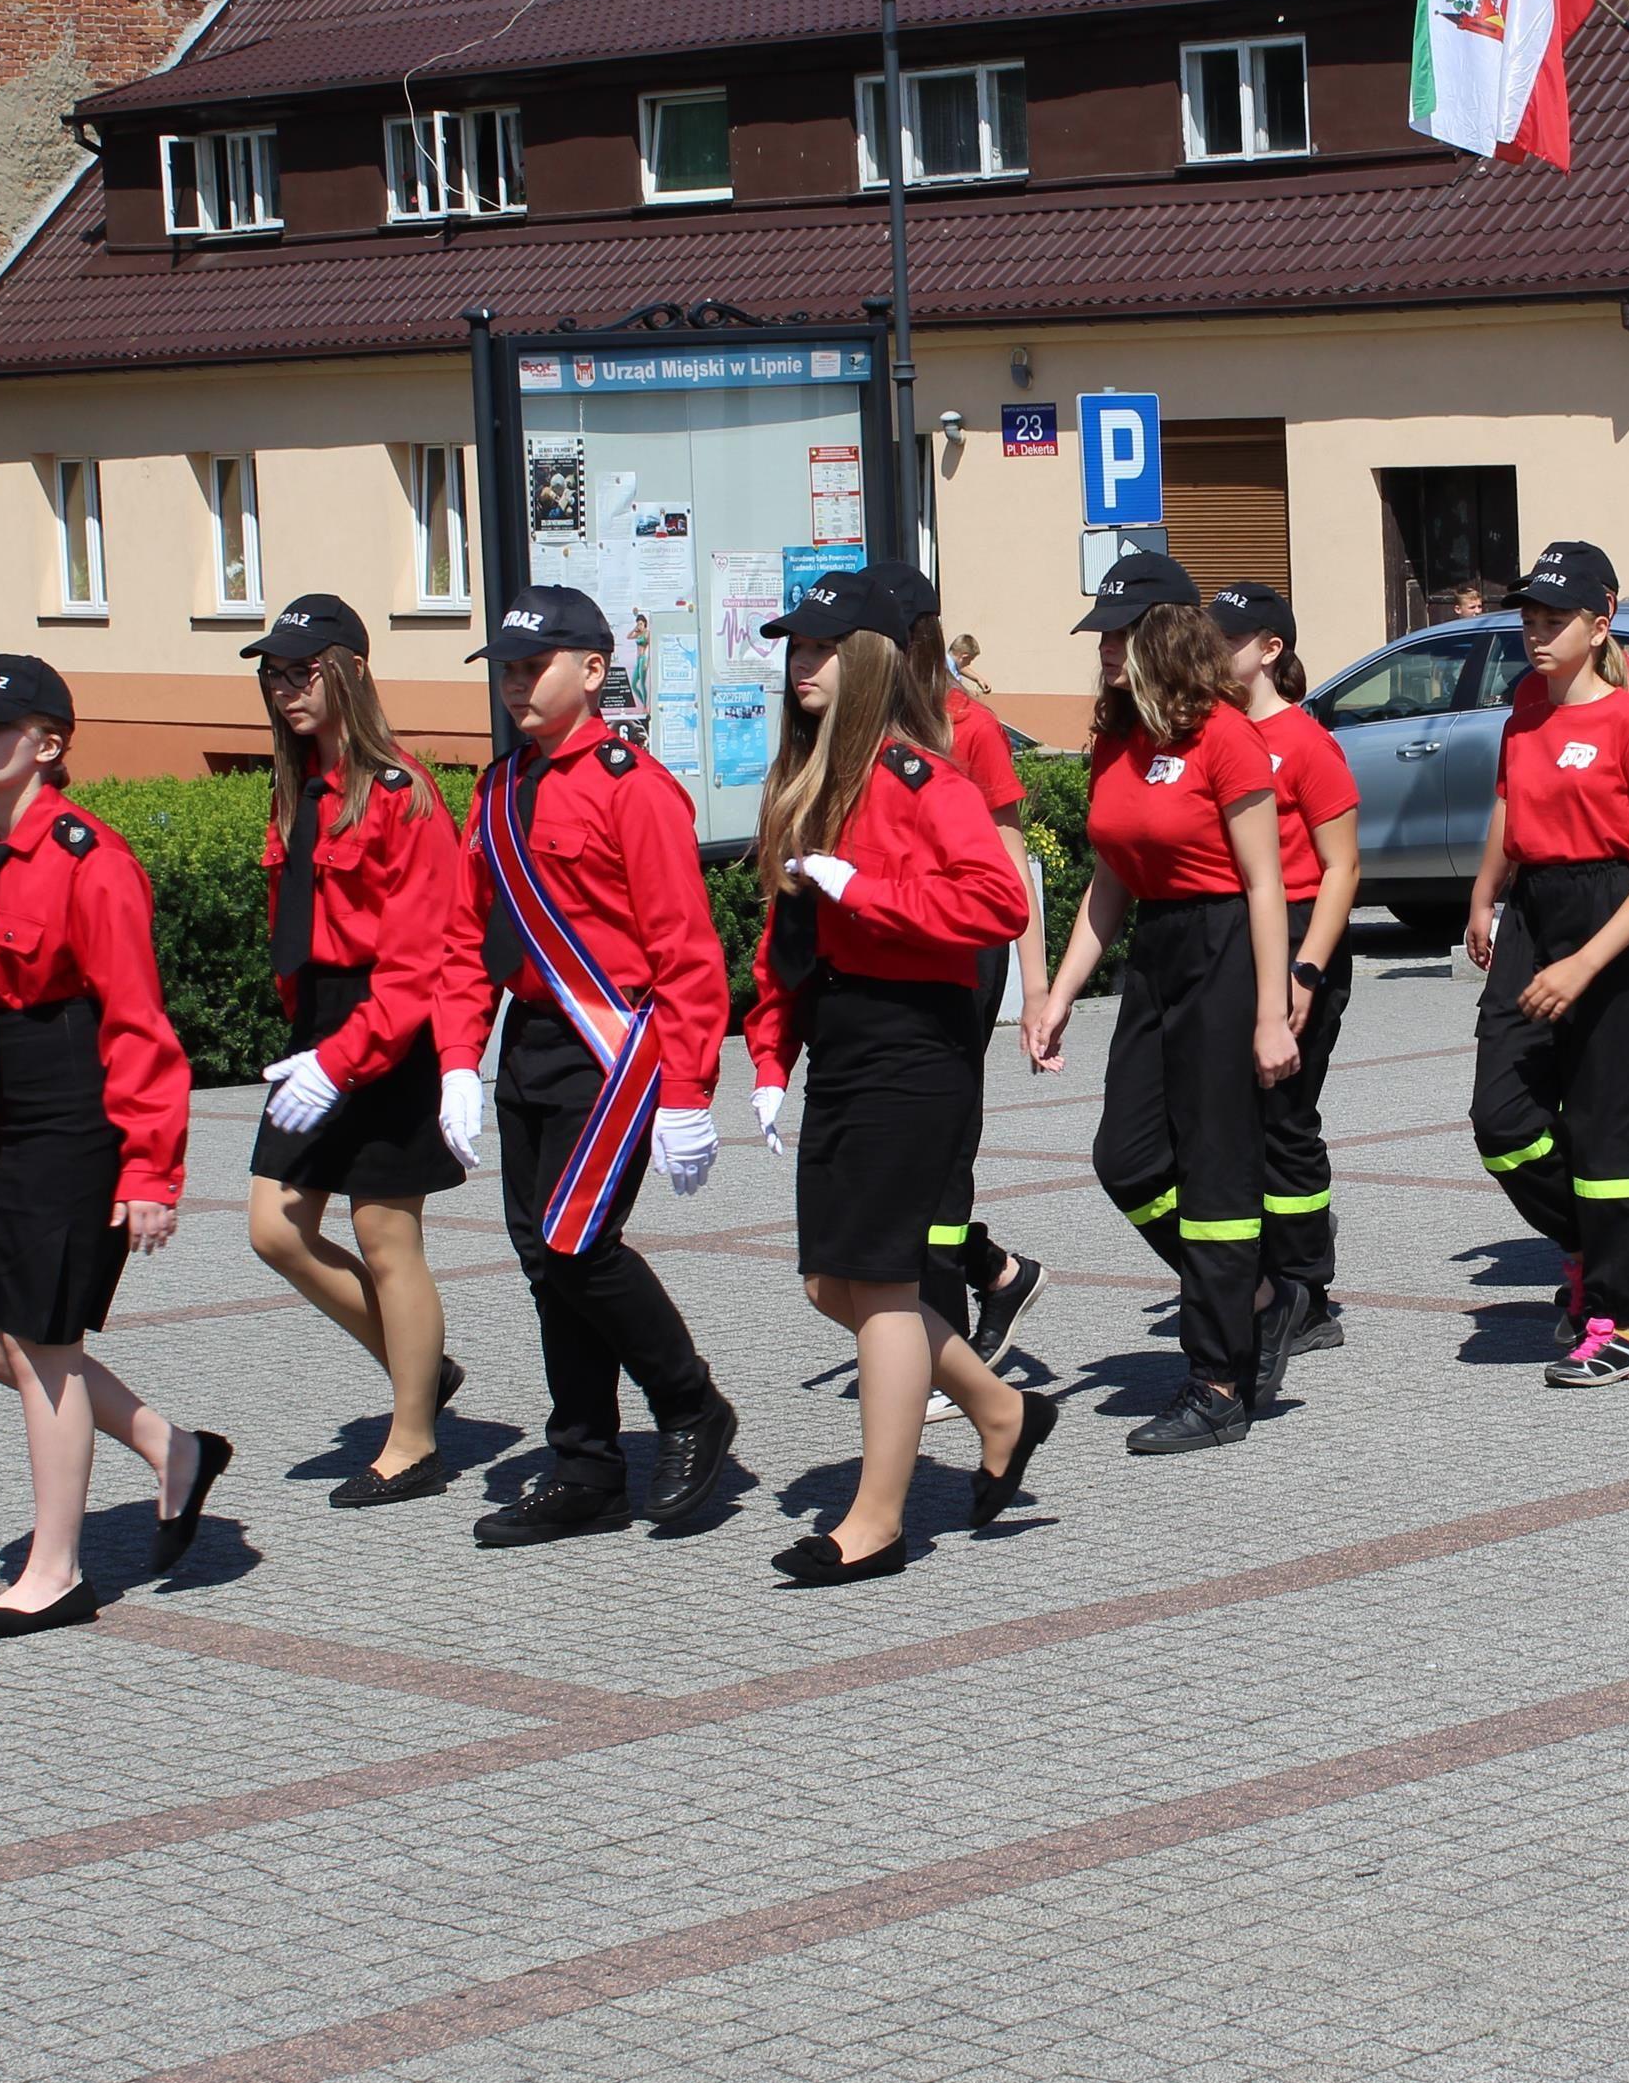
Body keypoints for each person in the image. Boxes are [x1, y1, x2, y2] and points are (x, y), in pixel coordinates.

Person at [745, 570, 1049, 1584]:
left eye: (821, 649)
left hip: (912, 1043)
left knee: (877, 1281)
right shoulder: (804, 785)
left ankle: (874, 1523)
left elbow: (994, 903)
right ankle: (1000, 1407)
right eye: (794, 649)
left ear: (870, 659)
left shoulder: (921, 779)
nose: (801, 665)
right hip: (841, 1036)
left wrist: (866, 891)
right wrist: (766, 1060)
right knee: (830, 1279)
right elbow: (782, 943)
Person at [0, 655, 223, 1639]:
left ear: (48, 744)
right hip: (11, 1115)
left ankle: (54, 1573)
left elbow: (139, 1024)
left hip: (84, 1112)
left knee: (46, 1346)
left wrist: (150, 1167)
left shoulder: (94, 860)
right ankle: (168, 1447)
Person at [435, 585, 740, 1547]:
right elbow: (462, 937)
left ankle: (690, 1404)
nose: (517, 686)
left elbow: (687, 952)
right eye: (508, 671)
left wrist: (691, 1090)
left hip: (617, 1051)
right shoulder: (496, 789)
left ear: (593, 670)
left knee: (577, 1243)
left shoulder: (631, 785)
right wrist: (456, 1062)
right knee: (542, 1260)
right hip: (532, 1040)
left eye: (535, 667)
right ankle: (585, 1465)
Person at [1024, 551, 1305, 1453]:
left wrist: (1272, 1011)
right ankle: (1260, 1294)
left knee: (1219, 1171)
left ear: (1162, 635)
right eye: (1100, 634)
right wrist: (1060, 991)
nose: (1103, 650)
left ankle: (1219, 1381)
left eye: (1117, 633)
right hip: (1156, 952)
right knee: (1128, 1156)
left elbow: (1267, 884)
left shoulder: (1225, 736)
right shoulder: (1119, 738)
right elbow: (1110, 881)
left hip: (1226, 945)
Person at [236, 593, 471, 1506]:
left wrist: (345, 1054)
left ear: (352, 673)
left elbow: (419, 959)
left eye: (305, 670)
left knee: (384, 1232)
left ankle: (413, 1438)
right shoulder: (297, 783)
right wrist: (311, 1039)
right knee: (274, 1228)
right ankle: (420, 1368)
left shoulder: (401, 791)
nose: (288, 688)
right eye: (276, 673)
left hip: (387, 1024)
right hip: (320, 1023)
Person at [1465, 540, 1629, 1387]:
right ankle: (1592, 1245)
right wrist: (1486, 892)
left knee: (1607, 1132)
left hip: (1611, 919)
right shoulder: (1525, 702)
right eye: (1530, 617)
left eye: (1556, 619)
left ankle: (1619, 1322)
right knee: (1501, 1116)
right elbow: (1508, 801)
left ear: (1600, 626)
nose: (1538, 633)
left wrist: (1587, 962)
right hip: (1533, 911)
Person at [854, 559, 1047, 1374]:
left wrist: (1038, 989)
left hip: (964, 952)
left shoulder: (964, 724)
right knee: (899, 1153)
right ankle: (993, 1271)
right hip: (885, 951)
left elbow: (1010, 864)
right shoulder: (853, 726)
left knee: (943, 1150)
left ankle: (946, 1338)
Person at [1212, 581, 1362, 1334]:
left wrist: (1307, 968)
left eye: (1227, 640)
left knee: (1286, 1121)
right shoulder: (1212, 734)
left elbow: (1344, 867)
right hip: (1242, 933)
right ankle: (1271, 1270)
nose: (1212, 651)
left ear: (1271, 650)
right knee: (1240, 1120)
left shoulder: (1304, 741)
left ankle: (1307, 1292)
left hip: (1304, 933)